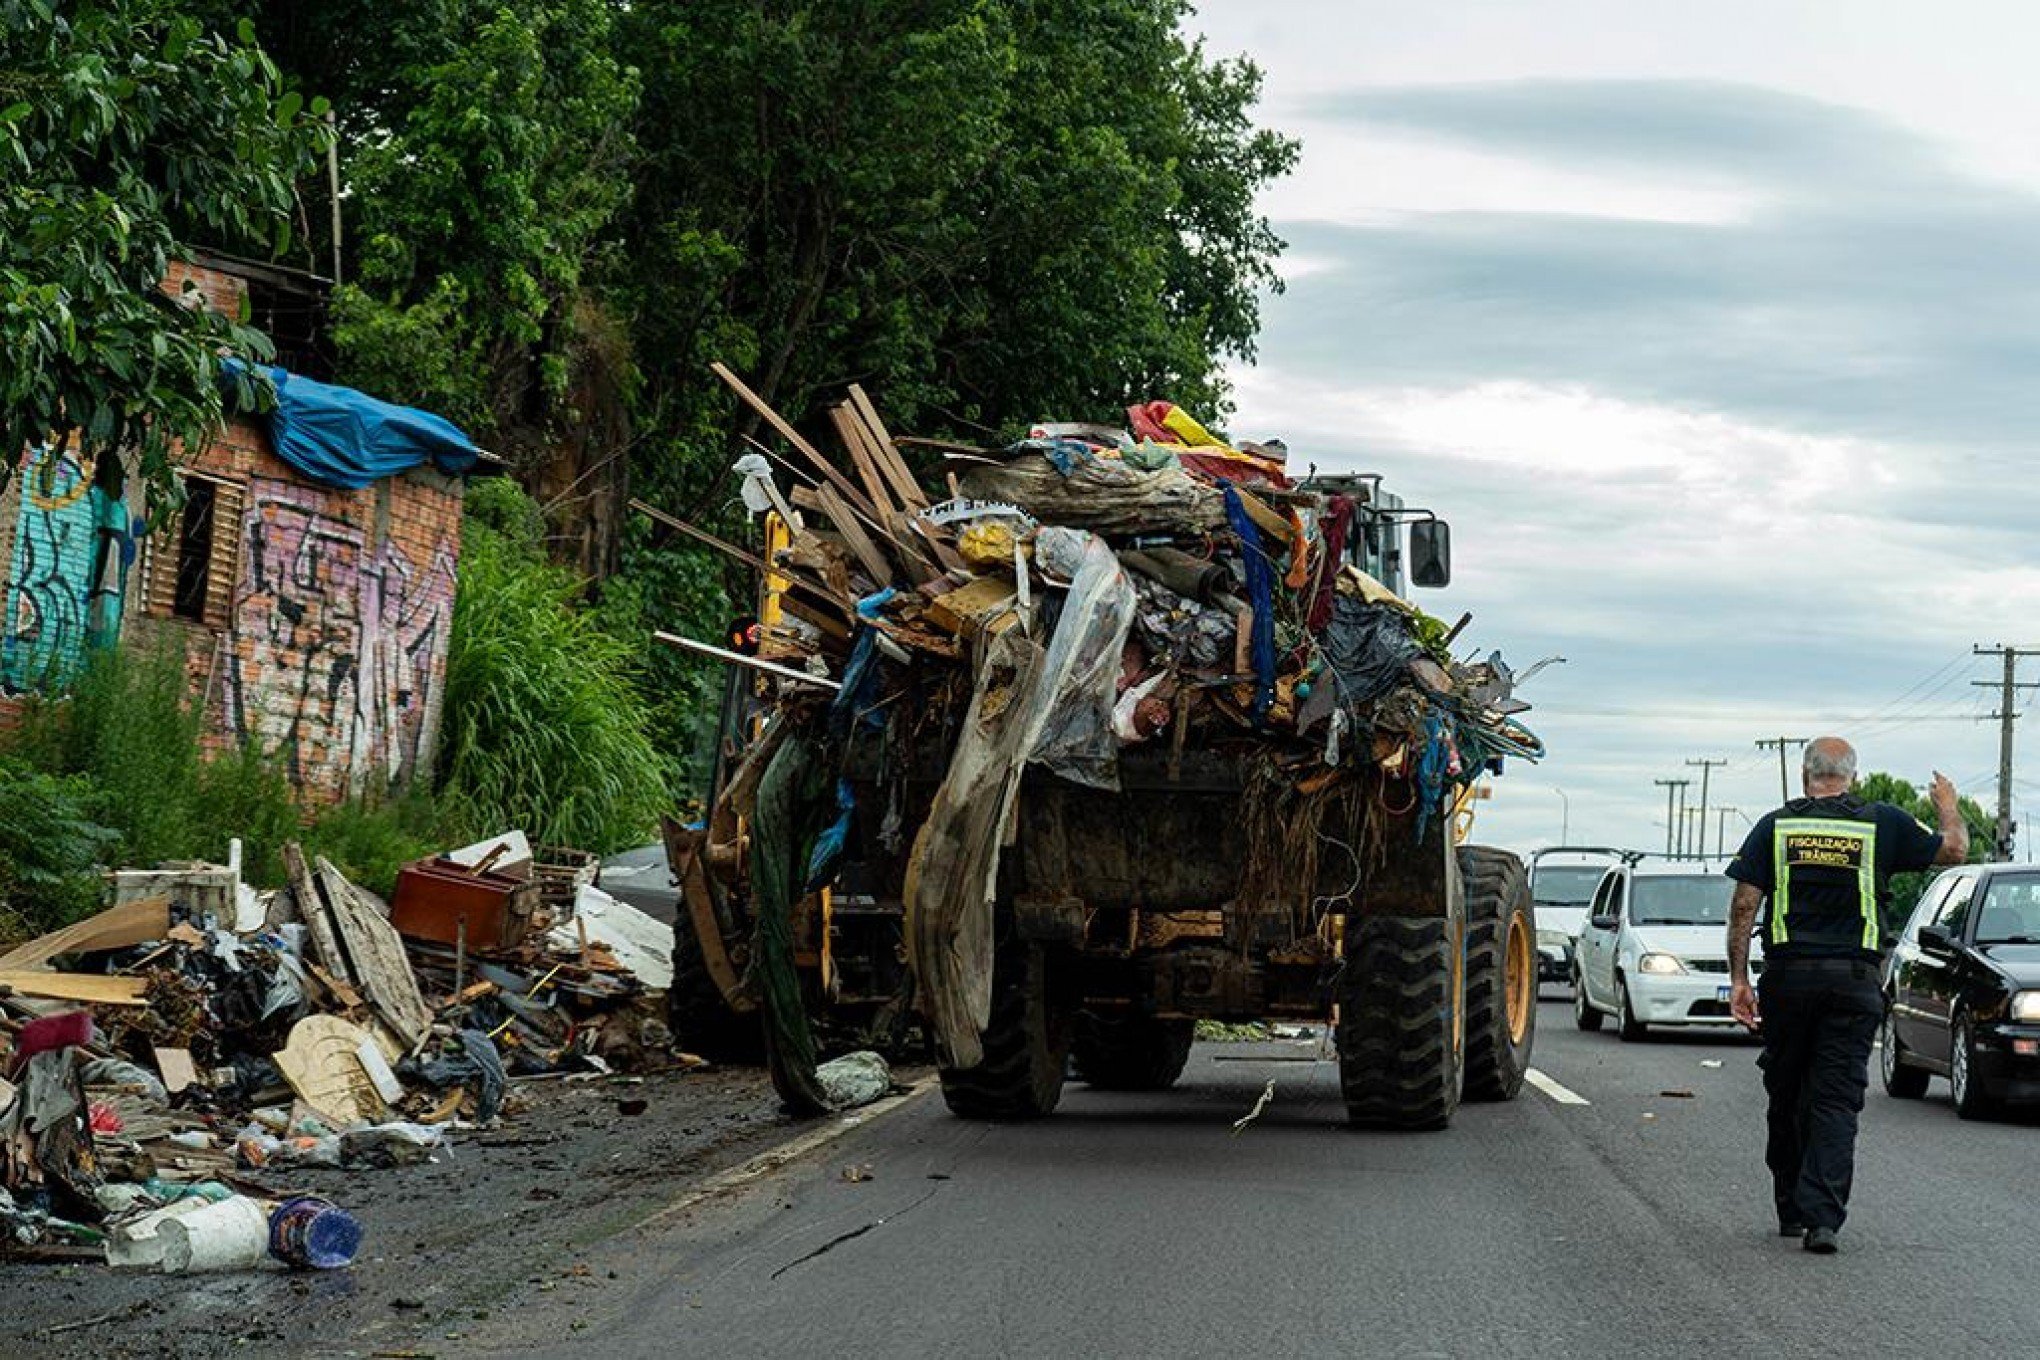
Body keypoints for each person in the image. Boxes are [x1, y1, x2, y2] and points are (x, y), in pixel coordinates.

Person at [1725, 737, 1967, 1254]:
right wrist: (1948, 807)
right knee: (1835, 1099)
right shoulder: (1881, 823)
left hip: (1789, 980)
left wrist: (1740, 979)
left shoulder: (1776, 825)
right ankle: (1822, 1220)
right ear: (1852, 776)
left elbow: (1745, 903)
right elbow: (1954, 851)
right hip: (1853, 982)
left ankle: (1791, 1207)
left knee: (1787, 1090)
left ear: (1805, 777)